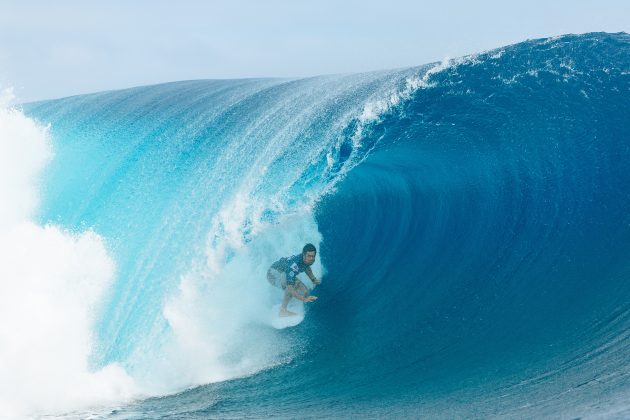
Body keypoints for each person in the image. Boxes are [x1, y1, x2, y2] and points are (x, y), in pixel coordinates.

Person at [267, 243, 322, 317]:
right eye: (309, 256)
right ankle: (283, 310)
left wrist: (313, 279)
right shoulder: (293, 266)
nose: (311, 258)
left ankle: (290, 300)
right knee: (292, 285)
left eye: (313, 256)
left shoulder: (306, 260)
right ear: (304, 255)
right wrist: (304, 299)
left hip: (283, 272)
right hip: (273, 274)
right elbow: (290, 288)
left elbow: (306, 267)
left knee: (305, 292)